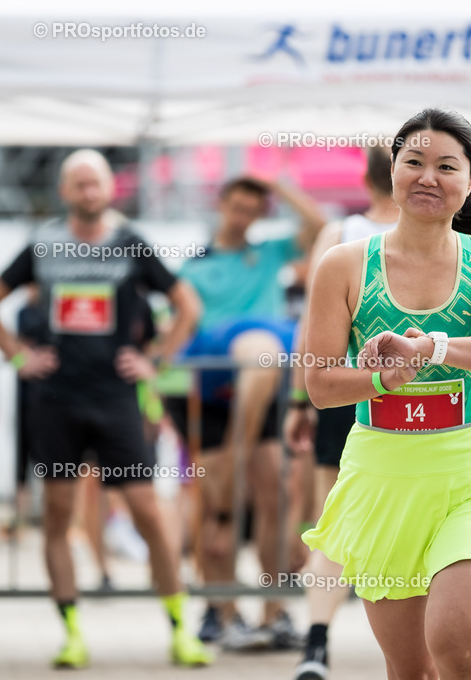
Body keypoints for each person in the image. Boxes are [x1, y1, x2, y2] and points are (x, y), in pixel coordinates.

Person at [302, 107, 471, 680]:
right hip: (383, 475)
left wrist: (431, 350)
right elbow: (320, 385)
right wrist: (379, 379)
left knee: (455, 643)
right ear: (390, 170)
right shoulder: (343, 265)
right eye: (414, 161)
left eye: (447, 166)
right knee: (409, 665)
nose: (428, 176)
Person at [0, 149, 210, 669]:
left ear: (110, 189)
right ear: (64, 191)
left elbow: (187, 306)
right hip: (56, 401)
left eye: (96, 184)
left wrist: (156, 357)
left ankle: (180, 628)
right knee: (58, 517)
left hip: (115, 401)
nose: (88, 193)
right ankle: (71, 634)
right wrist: (17, 355)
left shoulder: (129, 242)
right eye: (79, 185)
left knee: (148, 514)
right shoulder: (43, 243)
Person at [168, 176, 324, 650]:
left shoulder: (271, 253)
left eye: (253, 209)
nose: (244, 217)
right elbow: (179, 324)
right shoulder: (194, 267)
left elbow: (318, 225)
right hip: (215, 384)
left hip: (264, 378)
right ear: (222, 205)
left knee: (273, 497)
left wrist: (279, 183)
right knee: (217, 510)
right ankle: (221, 609)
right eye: (237, 206)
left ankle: (274, 612)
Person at [283, 146, 399, 679]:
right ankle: (407, 644)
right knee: (403, 517)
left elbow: (310, 332)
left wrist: (297, 399)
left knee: (335, 515)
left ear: (365, 177)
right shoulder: (440, 236)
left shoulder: (341, 234)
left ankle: (316, 641)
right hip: (418, 394)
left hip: (349, 389)